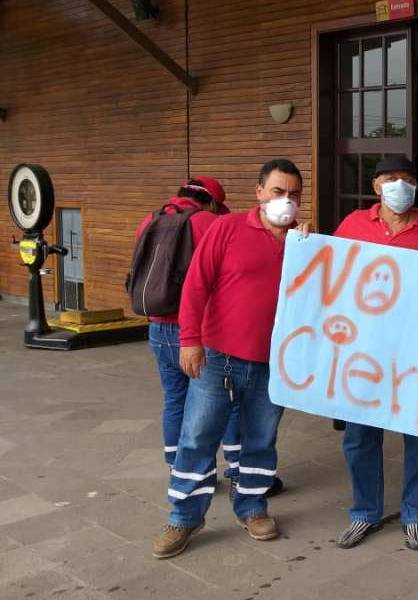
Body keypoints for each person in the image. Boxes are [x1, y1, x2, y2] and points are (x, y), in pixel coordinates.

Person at [151, 159, 304, 559]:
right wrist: (190, 341)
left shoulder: (303, 243)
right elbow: (196, 286)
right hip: (218, 357)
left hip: (273, 363)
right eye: (277, 191)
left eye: (293, 194)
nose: (285, 200)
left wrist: (308, 249)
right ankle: (184, 516)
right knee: (198, 435)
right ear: (259, 192)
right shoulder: (226, 228)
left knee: (260, 439)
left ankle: (252, 507)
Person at [333, 156, 418, 551]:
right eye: (391, 178)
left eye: (408, 179)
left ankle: (415, 514)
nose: (400, 184)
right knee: (359, 437)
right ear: (376, 185)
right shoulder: (352, 225)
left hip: (415, 352)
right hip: (362, 351)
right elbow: (330, 273)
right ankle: (364, 512)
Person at [134, 178, 240, 481]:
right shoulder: (208, 222)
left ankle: (179, 468)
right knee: (225, 399)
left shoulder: (150, 220)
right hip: (198, 331)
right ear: (210, 203)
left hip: (157, 328)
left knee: (175, 399)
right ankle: (237, 467)